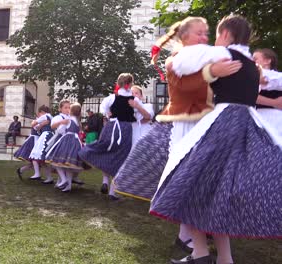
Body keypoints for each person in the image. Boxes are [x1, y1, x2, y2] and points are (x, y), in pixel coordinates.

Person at [150, 15, 281, 264]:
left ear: (225, 35)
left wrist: (204, 63)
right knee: (217, 192)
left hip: (224, 123)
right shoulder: (254, 66)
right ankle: (224, 258)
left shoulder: (222, 55)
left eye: (217, 34)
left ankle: (200, 253)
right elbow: (271, 79)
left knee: (192, 182)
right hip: (247, 124)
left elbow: (180, 63)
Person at [113, 16, 241, 254]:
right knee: (188, 179)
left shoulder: (204, 55)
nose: (205, 37)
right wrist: (214, 69)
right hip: (187, 127)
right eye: (199, 33)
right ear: (184, 37)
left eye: (206, 33)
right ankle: (188, 237)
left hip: (204, 125)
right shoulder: (176, 60)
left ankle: (191, 235)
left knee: (196, 181)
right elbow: (187, 86)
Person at [79, 73, 140, 199]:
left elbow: (102, 108)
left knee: (104, 149)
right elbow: (138, 114)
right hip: (125, 129)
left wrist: (107, 114)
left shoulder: (112, 97)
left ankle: (103, 179)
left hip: (111, 127)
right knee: (120, 157)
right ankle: (112, 191)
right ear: (129, 84)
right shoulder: (134, 100)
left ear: (119, 84)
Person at [45, 102, 84, 192]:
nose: (67, 109)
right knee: (68, 165)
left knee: (56, 160)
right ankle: (67, 185)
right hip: (75, 142)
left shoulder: (69, 119)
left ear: (71, 111)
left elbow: (60, 129)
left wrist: (63, 124)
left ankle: (63, 180)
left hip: (66, 140)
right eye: (65, 107)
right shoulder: (78, 121)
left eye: (69, 108)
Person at [253, 48, 282, 137]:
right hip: (260, 116)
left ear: (267, 61)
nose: (251, 61)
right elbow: (250, 95)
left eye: (255, 58)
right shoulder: (253, 76)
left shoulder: (275, 76)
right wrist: (274, 102)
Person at [28, 105, 54, 183]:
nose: (39, 115)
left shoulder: (45, 116)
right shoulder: (51, 117)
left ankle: (38, 174)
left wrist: (37, 123)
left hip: (45, 136)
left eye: (39, 113)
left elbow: (33, 124)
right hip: (51, 136)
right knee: (42, 159)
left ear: (42, 112)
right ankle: (49, 178)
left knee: (36, 155)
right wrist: (42, 125)